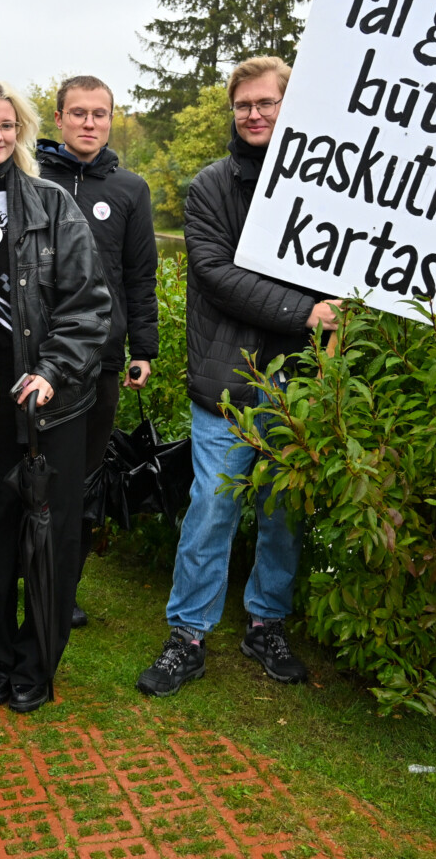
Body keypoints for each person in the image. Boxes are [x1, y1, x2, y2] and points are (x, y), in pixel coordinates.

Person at [136, 57, 337, 697]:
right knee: (211, 510)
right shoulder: (210, 187)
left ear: (289, 105)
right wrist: (306, 311)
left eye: (266, 103)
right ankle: (187, 637)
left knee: (283, 511)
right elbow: (217, 275)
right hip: (226, 382)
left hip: (300, 382)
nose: (254, 114)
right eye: (243, 104)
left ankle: (265, 624)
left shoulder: (328, 186)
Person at [0, 78, 111, 713]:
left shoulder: (51, 204)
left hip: (50, 400)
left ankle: (38, 662)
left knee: (50, 538)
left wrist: (53, 370)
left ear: (22, 132)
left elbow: (89, 305)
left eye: (8, 125)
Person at [35, 76, 158, 628]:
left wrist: (143, 349)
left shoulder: (130, 189)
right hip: (34, 354)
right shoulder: (30, 178)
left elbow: (140, 276)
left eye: (100, 114)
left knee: (83, 478)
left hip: (101, 359)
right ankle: (16, 570)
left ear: (111, 120)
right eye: (79, 113)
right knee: (27, 472)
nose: (89, 123)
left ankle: (65, 585)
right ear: (59, 118)